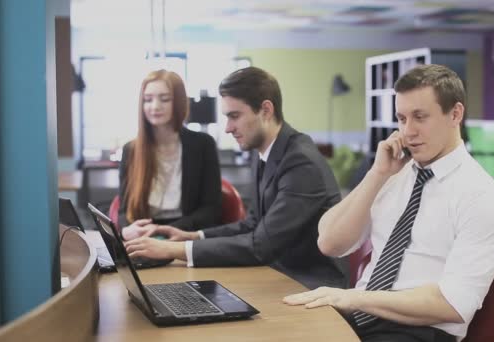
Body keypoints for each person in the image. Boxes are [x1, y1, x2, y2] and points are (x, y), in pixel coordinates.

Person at [283, 64, 494, 342]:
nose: (408, 131)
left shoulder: (482, 196)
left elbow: (452, 304)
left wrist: (356, 298)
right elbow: (330, 243)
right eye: (401, 119)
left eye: (420, 117)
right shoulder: (395, 172)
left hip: (419, 331)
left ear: (455, 114)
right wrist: (377, 174)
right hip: (361, 316)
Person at [123, 67, 346, 290]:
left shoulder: (300, 162)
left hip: (309, 283)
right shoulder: (266, 151)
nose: (228, 128)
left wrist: (172, 250)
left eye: (234, 116)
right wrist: (193, 236)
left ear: (266, 110)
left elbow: (261, 245)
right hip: (277, 273)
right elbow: (253, 224)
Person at [119, 69, 221, 238]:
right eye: (148, 99)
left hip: (186, 233)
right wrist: (126, 230)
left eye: (165, 99)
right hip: (144, 236)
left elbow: (211, 209)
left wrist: (165, 231)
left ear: (179, 102)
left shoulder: (203, 144)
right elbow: (123, 210)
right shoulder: (131, 150)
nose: (155, 106)